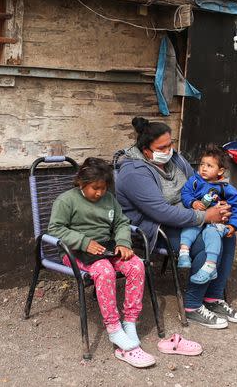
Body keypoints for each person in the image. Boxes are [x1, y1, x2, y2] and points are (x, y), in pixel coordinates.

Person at [115, 117, 237, 329]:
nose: (169, 150)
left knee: (227, 235)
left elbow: (198, 184)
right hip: (153, 227)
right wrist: (206, 216)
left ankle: (212, 297)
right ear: (146, 150)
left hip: (187, 215)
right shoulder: (134, 172)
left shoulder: (174, 160)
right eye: (162, 147)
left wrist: (219, 205)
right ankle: (193, 305)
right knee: (204, 243)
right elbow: (161, 212)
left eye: (170, 144)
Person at [47, 157, 156, 368]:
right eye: (95, 188)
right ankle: (114, 329)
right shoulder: (65, 201)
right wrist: (84, 242)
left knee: (136, 265)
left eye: (103, 188)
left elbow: (122, 222)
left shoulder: (109, 199)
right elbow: (55, 229)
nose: (99, 193)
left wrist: (123, 242)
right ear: (80, 182)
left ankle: (130, 321)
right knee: (104, 271)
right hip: (76, 252)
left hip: (106, 248)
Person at [178, 145, 237, 285]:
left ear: (220, 171)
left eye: (209, 166)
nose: (203, 168)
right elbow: (185, 193)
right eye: (202, 164)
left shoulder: (225, 188)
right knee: (189, 228)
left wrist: (234, 225)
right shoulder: (194, 181)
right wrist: (192, 202)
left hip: (216, 223)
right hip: (199, 217)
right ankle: (184, 253)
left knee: (213, 235)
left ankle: (210, 266)